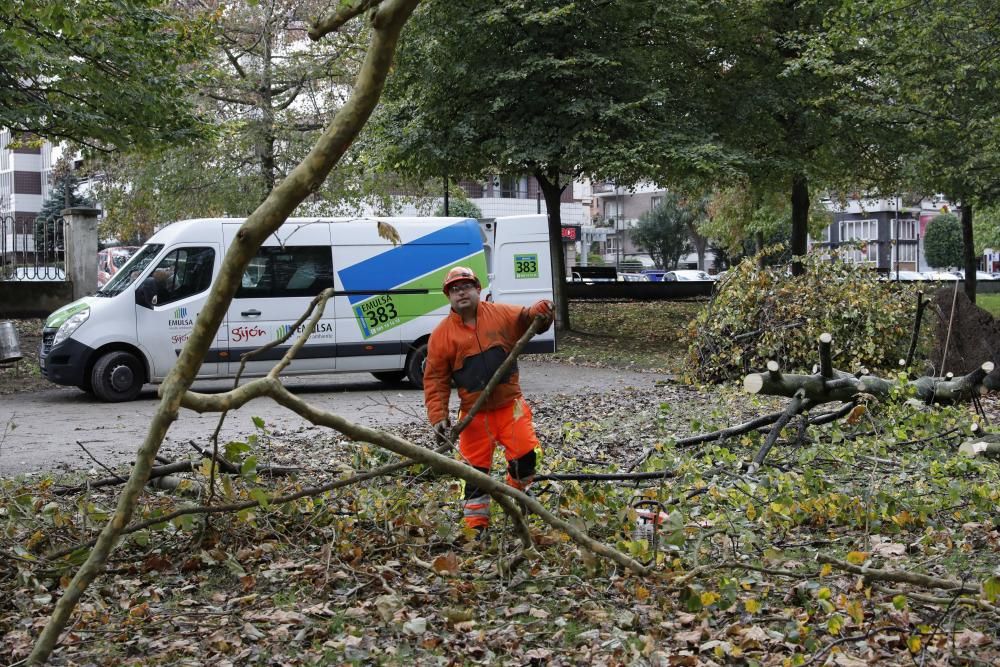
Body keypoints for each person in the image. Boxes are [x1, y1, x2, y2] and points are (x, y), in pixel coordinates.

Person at [423, 266, 554, 536]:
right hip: (473, 415)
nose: (461, 293)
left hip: (510, 406)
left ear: (478, 290)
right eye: (455, 289)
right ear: (448, 296)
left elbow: (530, 319)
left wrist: (541, 311)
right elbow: (435, 380)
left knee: (526, 458)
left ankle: (515, 502)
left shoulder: (501, 314)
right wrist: (438, 417)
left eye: (466, 287)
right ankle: (476, 531)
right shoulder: (442, 335)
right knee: (475, 476)